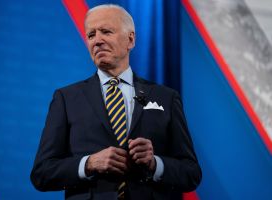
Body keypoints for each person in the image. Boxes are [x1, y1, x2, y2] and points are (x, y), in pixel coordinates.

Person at [30, 4, 201, 200]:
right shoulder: (66, 99)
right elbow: (42, 173)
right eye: (91, 35)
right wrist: (89, 163)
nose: (97, 41)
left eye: (106, 31)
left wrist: (155, 163)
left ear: (130, 39)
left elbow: (191, 173)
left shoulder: (166, 98)